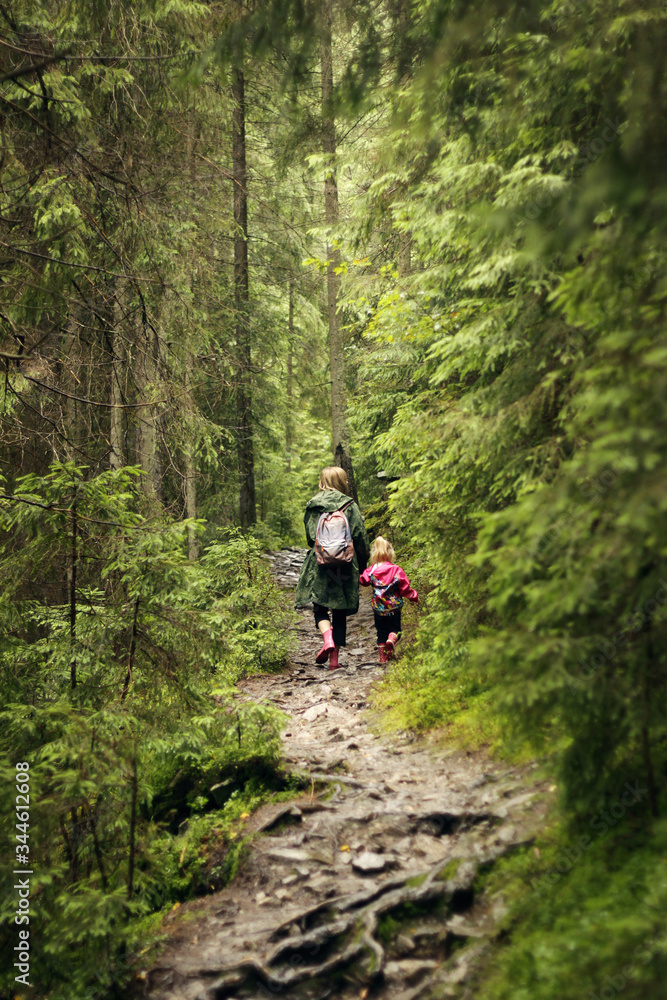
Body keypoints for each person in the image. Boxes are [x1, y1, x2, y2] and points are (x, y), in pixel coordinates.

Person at [295, 466, 370, 671]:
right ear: (341, 481)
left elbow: (311, 537)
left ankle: (327, 638)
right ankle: (334, 662)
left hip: (319, 564)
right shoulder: (350, 505)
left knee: (320, 607)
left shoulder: (313, 505)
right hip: (345, 563)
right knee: (340, 609)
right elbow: (360, 537)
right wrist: (362, 564)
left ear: (323, 481)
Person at [359, 536, 418, 663]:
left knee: (381, 632)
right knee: (396, 629)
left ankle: (383, 658)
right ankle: (392, 639)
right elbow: (404, 587)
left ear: (374, 554)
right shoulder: (396, 569)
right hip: (394, 607)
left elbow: (363, 581)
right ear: (390, 553)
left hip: (378, 608)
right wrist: (413, 596)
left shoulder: (372, 570)